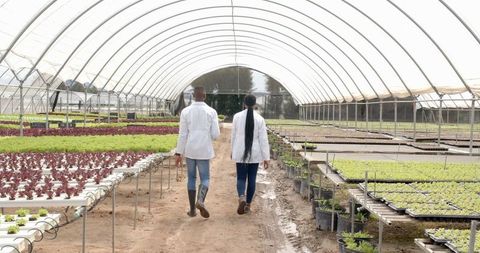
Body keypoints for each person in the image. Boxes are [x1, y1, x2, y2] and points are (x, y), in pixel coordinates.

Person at [175, 86, 220, 218]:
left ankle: (192, 210)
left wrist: (178, 153)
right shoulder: (211, 112)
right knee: (205, 178)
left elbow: (182, 134)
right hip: (204, 149)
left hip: (190, 149)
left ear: (193, 96)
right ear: (205, 96)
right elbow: (215, 134)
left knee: (191, 178)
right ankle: (200, 201)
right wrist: (206, 135)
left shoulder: (186, 111)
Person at [231, 94, 270, 215]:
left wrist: (232, 151)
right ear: (254, 104)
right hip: (255, 153)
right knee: (252, 179)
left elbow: (233, 135)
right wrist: (266, 157)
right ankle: (248, 204)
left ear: (244, 103)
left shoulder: (237, 117)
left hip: (240, 151)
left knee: (241, 177)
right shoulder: (260, 119)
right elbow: (263, 139)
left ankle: (241, 196)